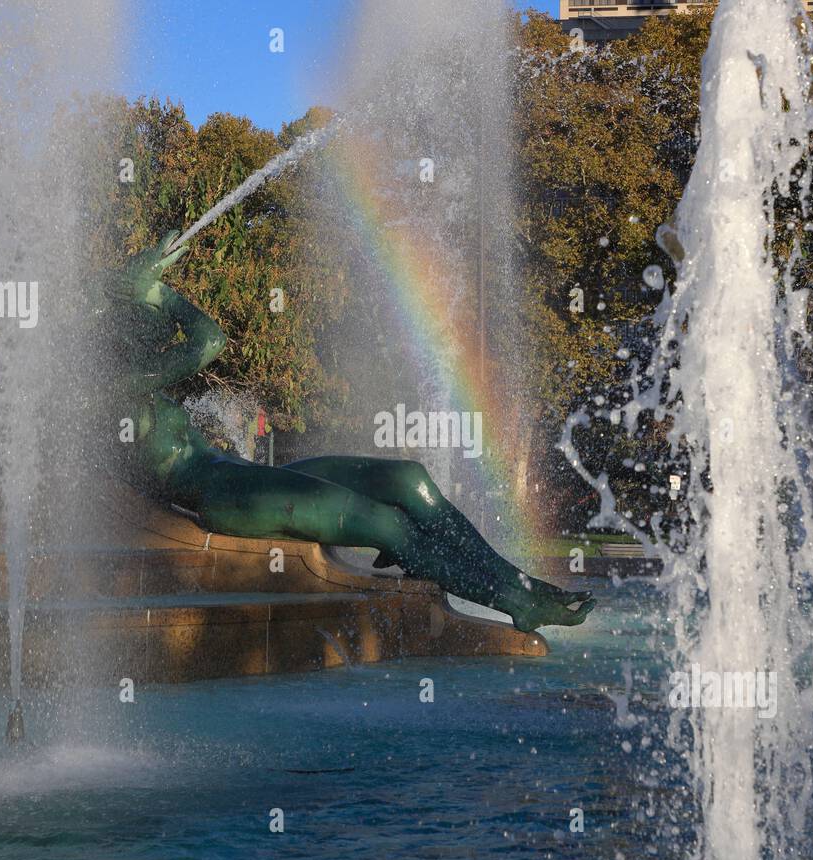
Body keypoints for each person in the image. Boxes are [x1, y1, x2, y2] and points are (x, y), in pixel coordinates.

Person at [104, 233, 594, 632]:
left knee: (408, 478)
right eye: (142, 322)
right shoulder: (113, 386)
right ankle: (513, 602)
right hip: (225, 496)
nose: (156, 332)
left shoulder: (142, 386)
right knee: (388, 525)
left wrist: (144, 288)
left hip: (245, 474)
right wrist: (156, 291)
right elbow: (210, 340)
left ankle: (521, 582)